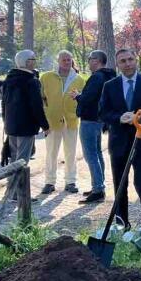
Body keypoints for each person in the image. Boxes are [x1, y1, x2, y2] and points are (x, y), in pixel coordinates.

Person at [99, 47, 141, 230]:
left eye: (130, 59)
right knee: (120, 183)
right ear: (117, 65)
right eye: (123, 61)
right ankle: (121, 222)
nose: (127, 64)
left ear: (136, 60)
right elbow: (103, 113)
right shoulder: (110, 86)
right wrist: (119, 118)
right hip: (118, 142)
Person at [40, 50, 87, 195]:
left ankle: (70, 181)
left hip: (71, 120)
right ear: (58, 61)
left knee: (71, 152)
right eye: (64, 60)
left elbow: (83, 100)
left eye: (69, 59)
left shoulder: (79, 79)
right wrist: (45, 115)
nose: (67, 62)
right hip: (52, 121)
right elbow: (41, 97)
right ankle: (49, 181)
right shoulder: (47, 77)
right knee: (51, 152)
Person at [73, 50, 117, 204]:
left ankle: (98, 189)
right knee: (97, 154)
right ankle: (99, 185)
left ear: (97, 60)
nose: (88, 61)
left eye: (90, 59)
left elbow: (88, 98)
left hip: (89, 119)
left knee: (90, 155)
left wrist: (77, 96)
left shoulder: (97, 77)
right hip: (99, 119)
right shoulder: (109, 75)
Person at [1, 50, 50, 166]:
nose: (35, 62)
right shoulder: (31, 81)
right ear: (27, 62)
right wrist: (45, 125)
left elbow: (4, 104)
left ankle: (12, 184)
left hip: (11, 124)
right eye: (33, 59)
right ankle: (19, 184)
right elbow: (36, 106)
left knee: (13, 158)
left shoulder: (9, 79)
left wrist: (6, 121)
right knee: (22, 161)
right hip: (26, 126)